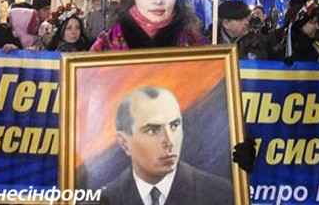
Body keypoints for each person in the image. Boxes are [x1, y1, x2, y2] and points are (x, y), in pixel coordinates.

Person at [100, 86, 233, 205]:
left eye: (174, 125)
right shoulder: (105, 199)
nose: (169, 141)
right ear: (124, 143)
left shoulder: (219, 194)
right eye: (153, 130)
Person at [275, 0, 319, 64]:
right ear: (300, 26)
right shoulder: (282, 52)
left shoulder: (317, 47)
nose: (318, 27)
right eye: (313, 22)